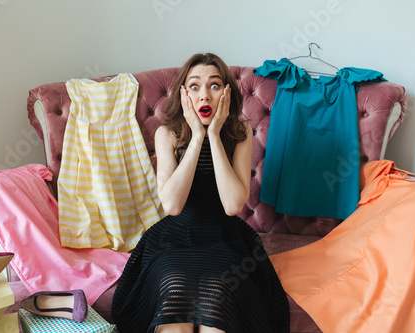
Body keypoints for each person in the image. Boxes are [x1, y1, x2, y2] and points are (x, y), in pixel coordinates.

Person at [112, 53, 290, 332]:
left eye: (214, 85)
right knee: (173, 295)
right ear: (184, 94)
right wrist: (196, 137)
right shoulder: (166, 134)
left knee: (219, 297)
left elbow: (233, 206)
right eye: (194, 86)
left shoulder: (239, 131)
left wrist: (215, 136)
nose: (204, 95)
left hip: (225, 239)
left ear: (227, 93)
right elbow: (172, 205)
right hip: (173, 241)